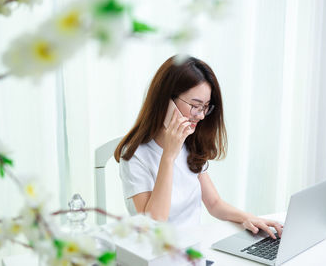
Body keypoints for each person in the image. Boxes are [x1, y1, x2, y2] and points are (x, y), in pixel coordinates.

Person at [114, 55, 283, 239]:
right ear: (166, 101)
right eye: (195, 106)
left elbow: (214, 203)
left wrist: (249, 218)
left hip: (194, 250)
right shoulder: (134, 155)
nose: (201, 116)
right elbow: (154, 225)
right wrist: (169, 156)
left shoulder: (190, 143)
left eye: (206, 107)